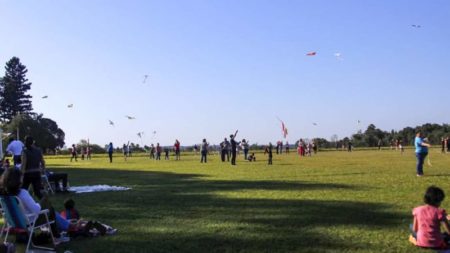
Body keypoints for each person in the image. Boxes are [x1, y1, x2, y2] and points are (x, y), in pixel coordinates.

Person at [1, 168, 69, 242]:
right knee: (50, 208)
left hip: (13, 222)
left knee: (46, 205)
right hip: (29, 222)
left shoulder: (3, 195)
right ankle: (56, 236)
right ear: (17, 180)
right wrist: (38, 204)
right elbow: (36, 210)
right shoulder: (22, 193)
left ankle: (60, 228)